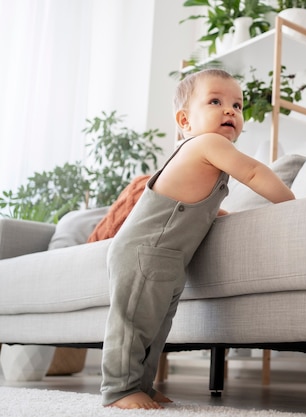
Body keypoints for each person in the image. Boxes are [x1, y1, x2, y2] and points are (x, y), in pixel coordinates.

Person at [100, 68, 295, 409]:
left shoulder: (206, 158)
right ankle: (119, 389)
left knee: (157, 327)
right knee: (133, 324)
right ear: (185, 121)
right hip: (145, 252)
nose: (230, 110)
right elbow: (253, 171)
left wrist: (222, 216)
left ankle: (141, 385)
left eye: (237, 104)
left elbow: (193, 207)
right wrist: (292, 205)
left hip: (169, 259)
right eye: (215, 101)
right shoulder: (206, 144)